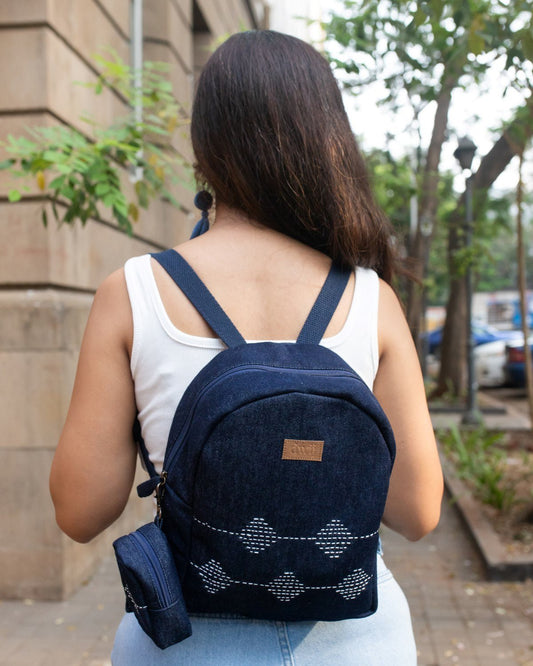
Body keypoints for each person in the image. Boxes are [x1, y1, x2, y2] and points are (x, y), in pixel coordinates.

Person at [50, 29, 443, 665]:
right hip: (354, 638)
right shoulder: (371, 298)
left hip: (184, 637)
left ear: (204, 149)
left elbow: (80, 510)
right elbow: (418, 512)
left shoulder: (135, 292)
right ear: (328, 141)